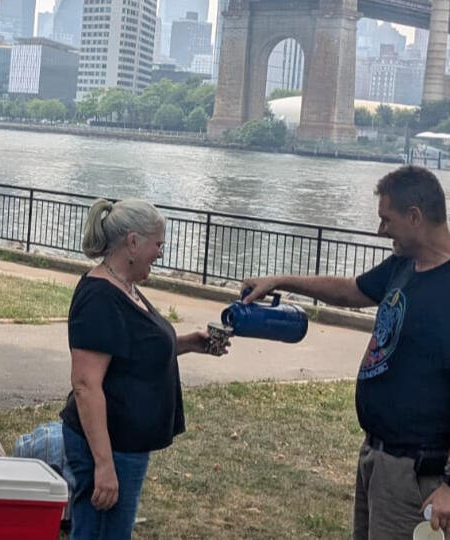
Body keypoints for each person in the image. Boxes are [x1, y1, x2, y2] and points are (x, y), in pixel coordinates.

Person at [242, 165, 450, 539]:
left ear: (414, 216)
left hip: (419, 476)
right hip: (378, 457)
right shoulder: (405, 266)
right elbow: (351, 290)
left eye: (386, 220)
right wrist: (281, 280)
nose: (380, 230)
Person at [60, 198, 228, 540]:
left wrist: (187, 343)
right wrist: (104, 465)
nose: (161, 254)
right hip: (111, 446)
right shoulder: (99, 297)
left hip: (127, 446)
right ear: (133, 242)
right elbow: (85, 385)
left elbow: (133, 350)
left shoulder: (125, 288)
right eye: (158, 244)